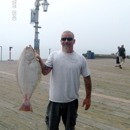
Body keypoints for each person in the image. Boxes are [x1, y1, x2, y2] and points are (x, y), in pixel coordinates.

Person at [36, 30, 92, 130]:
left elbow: (87, 79)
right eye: (63, 39)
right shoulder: (54, 55)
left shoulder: (81, 59)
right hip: (54, 100)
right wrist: (39, 59)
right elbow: (45, 72)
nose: (66, 41)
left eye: (69, 39)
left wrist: (88, 98)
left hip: (71, 101)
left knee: (70, 127)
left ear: (74, 41)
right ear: (60, 41)